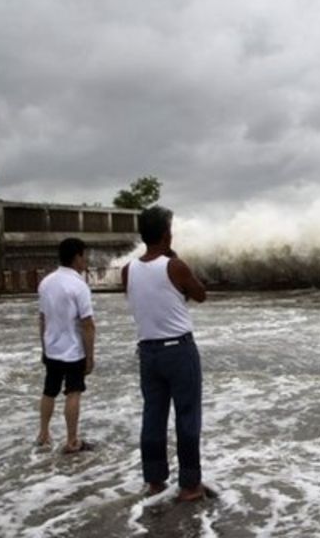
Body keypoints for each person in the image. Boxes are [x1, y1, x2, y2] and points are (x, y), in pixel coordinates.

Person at [122, 205, 207, 502]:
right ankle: (189, 486)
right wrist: (176, 261)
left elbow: (147, 297)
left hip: (148, 352)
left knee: (153, 415)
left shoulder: (127, 270)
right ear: (165, 233)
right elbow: (200, 294)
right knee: (187, 416)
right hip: (178, 351)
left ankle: (155, 480)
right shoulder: (175, 266)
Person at [36, 237, 96, 453]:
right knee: (73, 392)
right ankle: (72, 441)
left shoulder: (46, 282)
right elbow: (87, 324)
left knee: (49, 391)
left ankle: (43, 434)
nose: (85, 260)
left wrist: (44, 347)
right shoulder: (79, 286)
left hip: (51, 348)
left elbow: (42, 319)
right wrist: (90, 356)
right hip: (72, 351)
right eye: (84, 256)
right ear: (77, 257)